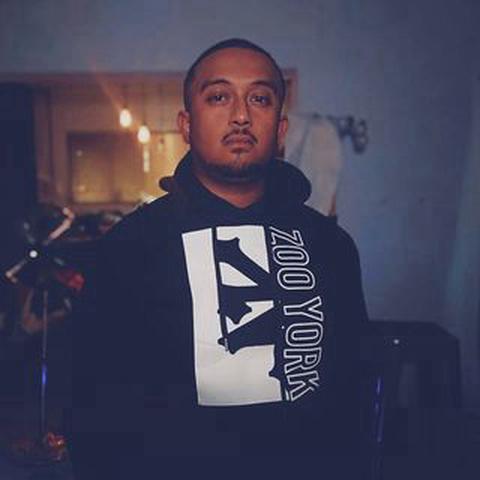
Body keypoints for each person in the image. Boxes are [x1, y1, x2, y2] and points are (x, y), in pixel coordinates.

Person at [68, 38, 370, 479]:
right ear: (187, 125)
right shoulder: (130, 246)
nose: (241, 115)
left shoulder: (331, 246)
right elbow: (90, 404)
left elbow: (352, 394)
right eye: (219, 97)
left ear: (280, 129)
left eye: (260, 98)